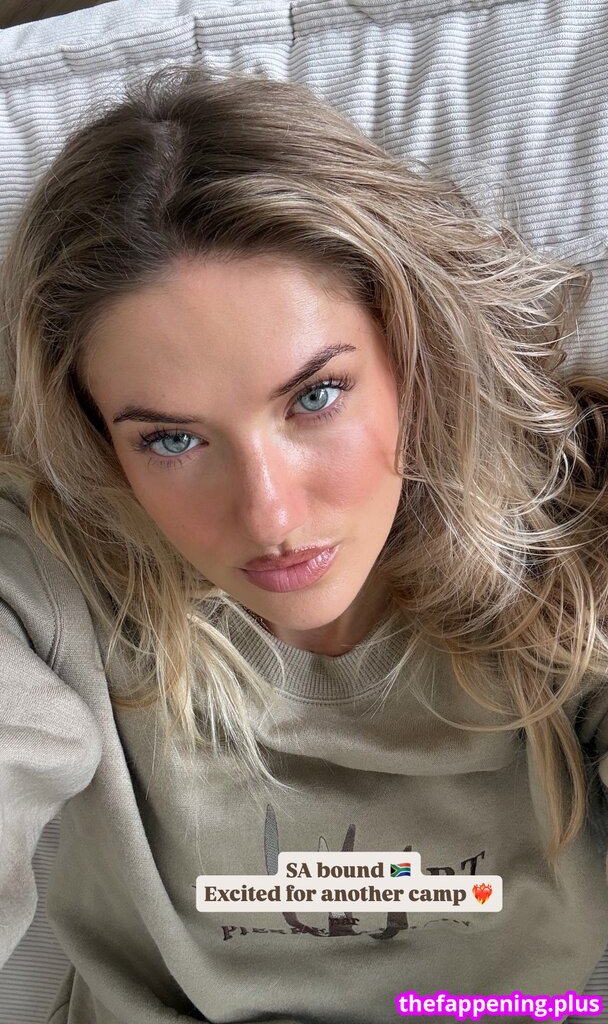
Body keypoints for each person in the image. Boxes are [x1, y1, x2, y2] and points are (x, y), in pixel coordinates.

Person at [0, 62, 607, 1024]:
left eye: (315, 396)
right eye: (172, 440)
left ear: (413, 344)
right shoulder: (49, 565)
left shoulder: (574, 529)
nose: (271, 516)